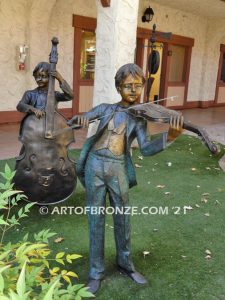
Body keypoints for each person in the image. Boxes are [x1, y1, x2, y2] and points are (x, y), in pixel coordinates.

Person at [68, 63, 183, 294]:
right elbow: (84, 116)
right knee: (95, 220)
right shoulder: (104, 108)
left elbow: (147, 149)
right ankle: (95, 271)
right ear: (118, 87)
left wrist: (168, 137)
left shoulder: (138, 118)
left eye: (137, 86)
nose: (133, 90)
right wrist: (80, 119)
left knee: (123, 218)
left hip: (118, 167)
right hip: (94, 166)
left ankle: (126, 264)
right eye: (127, 86)